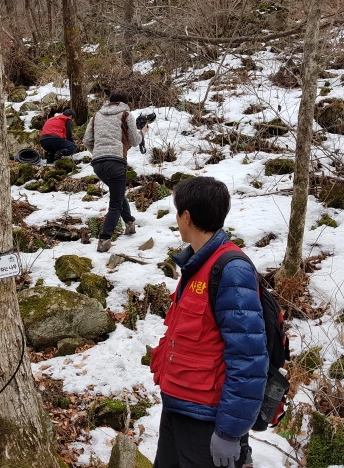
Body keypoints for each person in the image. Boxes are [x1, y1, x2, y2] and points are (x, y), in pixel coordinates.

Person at [149, 176, 268, 468]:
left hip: (207, 418)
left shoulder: (231, 271)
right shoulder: (197, 264)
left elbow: (249, 358)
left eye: (177, 213)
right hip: (178, 407)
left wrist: (230, 432)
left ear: (186, 216)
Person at [82, 92, 147, 253]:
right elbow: (134, 141)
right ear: (125, 102)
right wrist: (143, 132)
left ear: (109, 101)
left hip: (98, 164)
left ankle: (130, 223)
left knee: (117, 194)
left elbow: (86, 141)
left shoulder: (96, 116)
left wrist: (97, 152)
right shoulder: (126, 114)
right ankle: (104, 239)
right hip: (116, 162)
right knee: (115, 203)